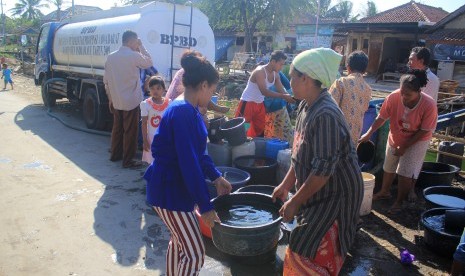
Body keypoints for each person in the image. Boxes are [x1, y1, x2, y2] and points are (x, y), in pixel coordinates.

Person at [272, 48, 363, 276]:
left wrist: (295, 202)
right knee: (303, 243)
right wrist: (285, 186)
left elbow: (322, 171)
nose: (289, 80)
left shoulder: (325, 115)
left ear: (306, 78)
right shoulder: (305, 106)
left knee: (309, 247)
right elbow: (299, 155)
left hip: (337, 194)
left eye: (292, 76)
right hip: (318, 189)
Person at [144, 50, 232, 275]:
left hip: (173, 188)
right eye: (212, 91)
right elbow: (189, 163)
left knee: (179, 242)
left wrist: (216, 176)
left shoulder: (190, 109)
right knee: (194, 253)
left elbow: (199, 154)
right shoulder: (183, 112)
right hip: (169, 192)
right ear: (203, 85)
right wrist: (206, 206)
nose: (212, 96)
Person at [359, 70, 437, 214]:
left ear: (418, 92)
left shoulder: (429, 105)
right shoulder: (394, 97)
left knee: (404, 172)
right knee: (389, 166)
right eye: (402, 92)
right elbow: (381, 117)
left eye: (408, 95)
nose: (404, 97)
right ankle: (384, 192)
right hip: (396, 135)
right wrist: (368, 133)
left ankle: (399, 201)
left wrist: (405, 146)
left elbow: (425, 130)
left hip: (417, 140)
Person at [104, 30, 153, 168]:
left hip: (117, 99)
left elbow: (106, 80)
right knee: (130, 131)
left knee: (117, 129)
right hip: (131, 100)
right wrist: (141, 47)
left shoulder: (111, 57)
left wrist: (110, 98)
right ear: (132, 41)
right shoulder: (133, 55)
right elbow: (149, 62)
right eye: (136, 41)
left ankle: (115, 155)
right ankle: (128, 161)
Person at [235, 50, 295, 137]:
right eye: (280, 64)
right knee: (243, 127)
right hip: (248, 102)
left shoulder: (276, 75)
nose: (281, 67)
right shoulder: (260, 71)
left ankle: (255, 147)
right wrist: (284, 96)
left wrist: (291, 98)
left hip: (260, 104)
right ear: (273, 61)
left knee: (260, 129)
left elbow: (282, 91)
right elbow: (265, 92)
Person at [329, 50, 372, 146]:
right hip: (354, 138)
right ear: (365, 70)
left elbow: (329, 107)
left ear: (348, 67)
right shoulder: (367, 89)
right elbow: (364, 109)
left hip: (336, 137)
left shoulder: (341, 82)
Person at [140, 76, 170, 164]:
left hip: (165, 137)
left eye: (158, 88)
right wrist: (145, 140)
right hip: (152, 138)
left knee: (164, 160)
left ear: (164, 89)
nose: (155, 91)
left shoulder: (169, 103)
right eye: (152, 88)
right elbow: (144, 123)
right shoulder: (146, 104)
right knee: (153, 162)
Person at [264, 71, 295, 146]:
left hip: (270, 109)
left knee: (271, 136)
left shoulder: (275, 73)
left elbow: (288, 87)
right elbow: (289, 87)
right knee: (283, 134)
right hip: (275, 108)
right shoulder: (276, 72)